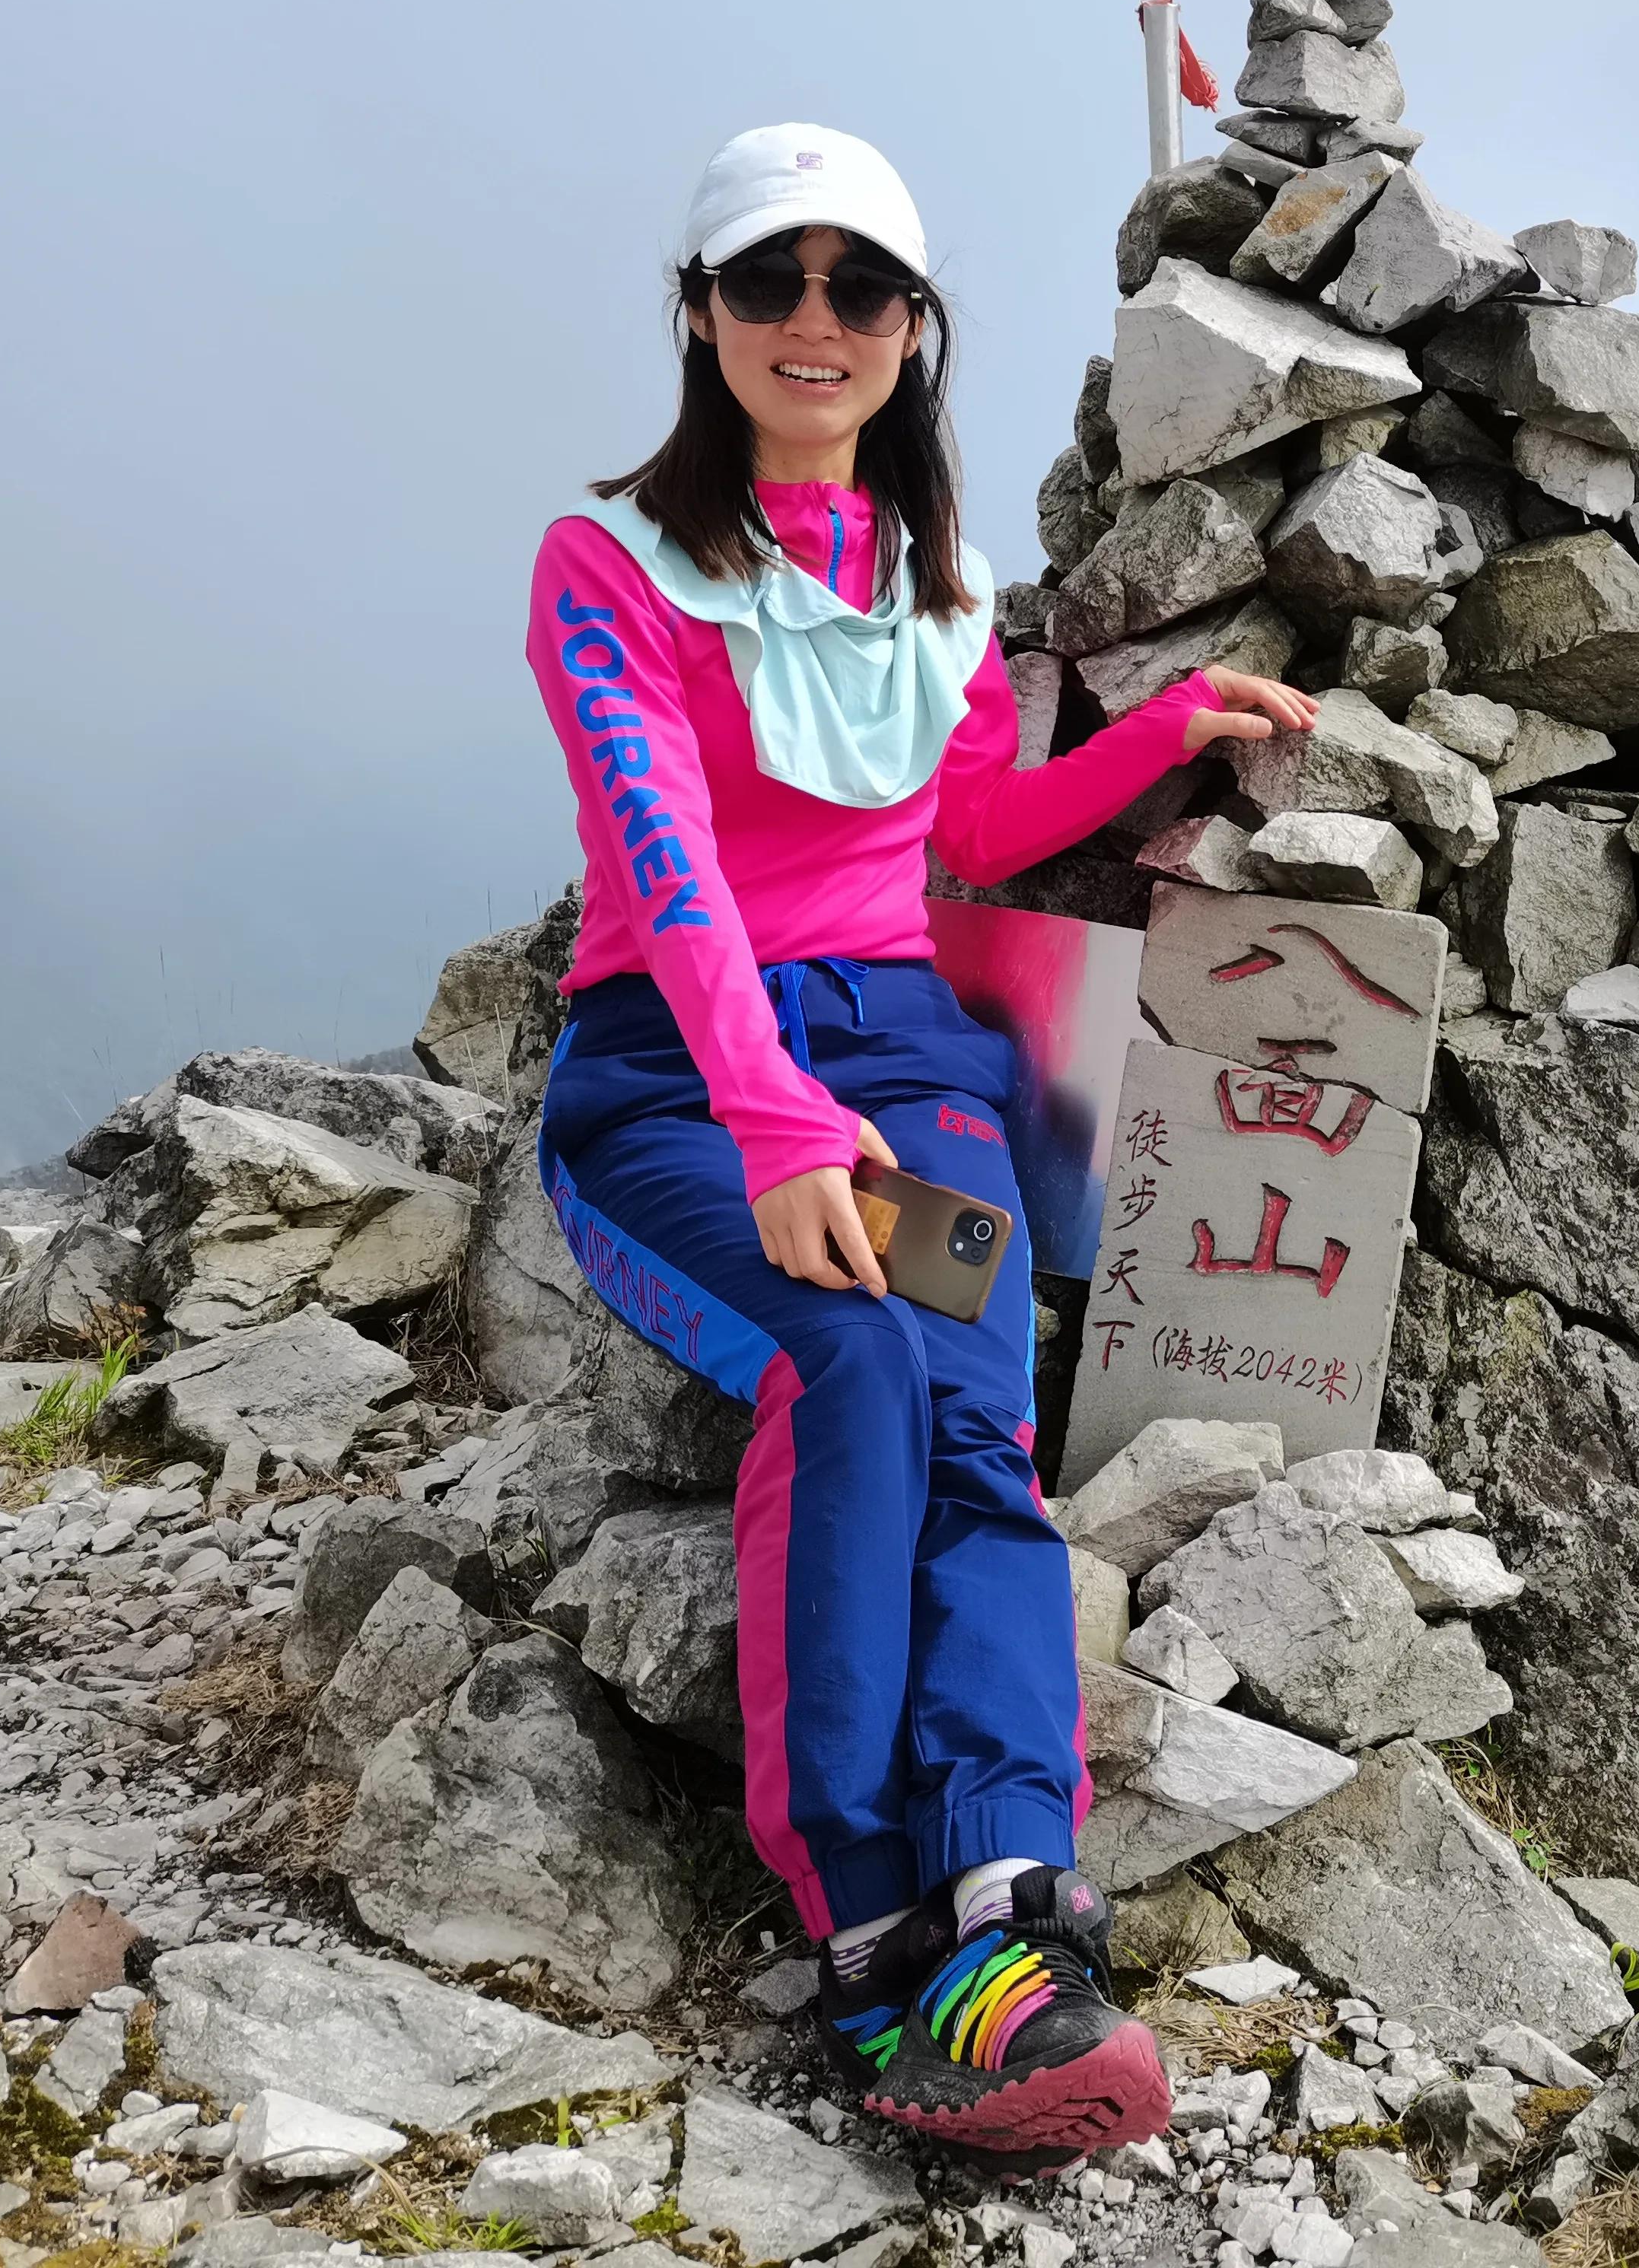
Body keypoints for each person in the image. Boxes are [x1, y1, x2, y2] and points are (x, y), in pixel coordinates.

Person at [524, 122, 1313, 2158]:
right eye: (768, 281)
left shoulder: (936, 591)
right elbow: (666, 860)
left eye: (857, 288)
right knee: (850, 1355)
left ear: (910, 332)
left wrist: (1159, 739)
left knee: (973, 1406)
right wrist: (779, 1128)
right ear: (701, 315)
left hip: (909, 1069)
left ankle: (1006, 1917)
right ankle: (865, 1921)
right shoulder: (605, 565)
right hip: (680, 1080)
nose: (814, 321)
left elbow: (961, 838)